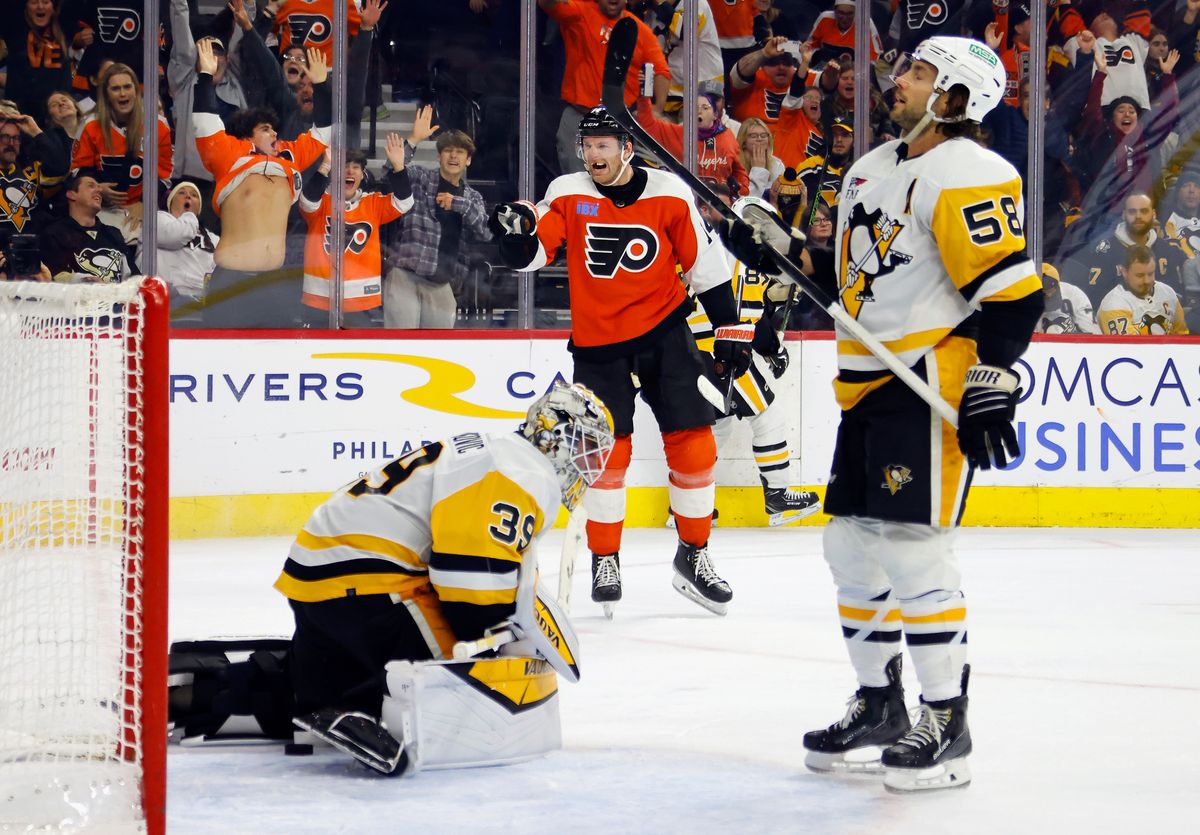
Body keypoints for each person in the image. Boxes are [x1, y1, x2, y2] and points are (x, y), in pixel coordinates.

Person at [721, 36, 1042, 791]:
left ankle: (947, 721)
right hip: (866, 384)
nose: (900, 80)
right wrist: (782, 246)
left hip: (926, 378)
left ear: (957, 98)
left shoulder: (972, 171)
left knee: (912, 548)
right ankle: (880, 705)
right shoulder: (871, 168)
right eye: (907, 68)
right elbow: (851, 282)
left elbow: (1015, 292)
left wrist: (995, 373)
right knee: (850, 547)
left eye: (921, 73)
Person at [488, 106, 752, 617]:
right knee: (609, 455)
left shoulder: (670, 193)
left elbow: (706, 267)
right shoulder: (568, 191)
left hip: (666, 334)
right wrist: (515, 236)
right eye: (588, 145)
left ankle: (693, 555)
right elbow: (531, 255)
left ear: (627, 149)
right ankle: (604, 559)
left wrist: (731, 330)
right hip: (599, 344)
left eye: (604, 145)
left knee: (694, 445)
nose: (593, 154)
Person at [277, 382, 614, 774]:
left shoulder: (500, 451)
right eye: (584, 447)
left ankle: (319, 694)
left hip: (321, 579)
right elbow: (470, 586)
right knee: (478, 671)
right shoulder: (521, 471)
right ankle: (368, 696)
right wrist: (499, 639)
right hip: (366, 586)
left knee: (330, 673)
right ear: (554, 436)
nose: (588, 464)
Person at [683, 194, 821, 526]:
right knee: (767, 415)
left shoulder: (715, 244)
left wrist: (774, 299)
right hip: (722, 350)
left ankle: (691, 505)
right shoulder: (740, 255)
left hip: (694, 351)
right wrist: (774, 349)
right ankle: (778, 496)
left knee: (715, 427)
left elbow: (748, 310)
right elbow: (747, 317)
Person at [192, 40, 331, 327]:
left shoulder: (289, 158)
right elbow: (205, 121)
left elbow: (324, 132)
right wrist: (205, 77)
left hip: (274, 284)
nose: (274, 133)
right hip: (231, 283)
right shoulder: (230, 154)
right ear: (247, 137)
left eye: (274, 128)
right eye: (266, 129)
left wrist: (322, 85)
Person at [382, 107, 489, 329]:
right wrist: (413, 139)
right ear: (439, 155)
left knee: (438, 349)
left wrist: (457, 203)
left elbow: (486, 231)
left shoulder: (472, 197)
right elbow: (390, 171)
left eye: (460, 152)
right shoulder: (420, 177)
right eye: (448, 150)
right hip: (405, 276)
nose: (453, 156)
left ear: (468, 160)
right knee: (401, 347)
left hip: (442, 283)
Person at [538, 0, 670, 176]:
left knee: (619, 189)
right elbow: (548, 4)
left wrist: (658, 107)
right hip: (579, 117)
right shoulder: (580, 12)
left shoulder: (637, 29)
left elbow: (661, 71)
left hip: (620, 123)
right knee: (577, 186)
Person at [299, 139, 412, 327]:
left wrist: (399, 167)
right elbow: (307, 203)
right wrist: (325, 165)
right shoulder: (323, 202)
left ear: (362, 175)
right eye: (344, 166)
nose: (350, 171)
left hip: (363, 300)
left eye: (356, 167)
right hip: (320, 296)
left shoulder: (373, 203)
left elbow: (404, 202)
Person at [70, 62, 174, 245]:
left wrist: (144, 203)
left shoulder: (158, 126)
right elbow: (78, 172)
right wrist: (98, 189)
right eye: (116, 89)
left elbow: (164, 177)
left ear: (136, 90)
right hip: (101, 209)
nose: (123, 93)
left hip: (144, 209)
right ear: (106, 94)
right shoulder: (89, 125)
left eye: (127, 87)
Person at [1067, 191, 1187, 308]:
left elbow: (1177, 296)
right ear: (1123, 215)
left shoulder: (1166, 250)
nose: (1138, 216)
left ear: (1153, 214)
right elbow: (1095, 299)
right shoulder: (1103, 252)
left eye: (1144, 211)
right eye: (1132, 212)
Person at [635, 90, 749, 197]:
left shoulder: (727, 136)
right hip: (685, 198)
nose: (699, 111)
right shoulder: (677, 133)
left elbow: (739, 171)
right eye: (695, 108)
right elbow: (648, 125)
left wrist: (740, 191)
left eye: (705, 108)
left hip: (718, 204)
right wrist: (644, 97)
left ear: (715, 115)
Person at [138, 181, 219, 318]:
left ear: (199, 206)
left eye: (194, 195)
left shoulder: (213, 239)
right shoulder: (156, 220)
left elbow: (220, 271)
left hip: (202, 307)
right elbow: (175, 235)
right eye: (181, 193)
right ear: (170, 202)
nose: (188, 196)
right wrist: (190, 215)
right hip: (162, 302)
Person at [38, 170, 138, 283]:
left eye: (99, 187)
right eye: (91, 186)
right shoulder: (54, 233)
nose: (99, 190)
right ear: (71, 194)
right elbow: (54, 277)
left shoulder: (113, 234)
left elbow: (135, 279)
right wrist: (87, 283)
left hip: (117, 299)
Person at [0, 109, 68, 248]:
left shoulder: (31, 172)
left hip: (33, 254)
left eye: (16, 138)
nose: (11, 143)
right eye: (5, 137)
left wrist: (35, 132)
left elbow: (60, 167)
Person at [1097, 244, 1189, 335]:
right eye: (1139, 275)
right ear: (1124, 272)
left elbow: (1182, 336)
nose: (1147, 281)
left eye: (1150, 274)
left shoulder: (1168, 293)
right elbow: (1127, 348)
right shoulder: (1114, 304)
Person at [795, 114, 853, 210]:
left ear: (854, 140)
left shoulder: (858, 169)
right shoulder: (811, 167)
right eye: (834, 135)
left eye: (845, 135)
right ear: (828, 138)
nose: (839, 140)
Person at [1037, 262, 1098, 334]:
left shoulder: (1075, 294)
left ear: (1058, 284)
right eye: (1044, 294)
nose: (1049, 295)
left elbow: (1093, 334)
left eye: (1052, 291)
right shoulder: (1024, 301)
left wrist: (1070, 335)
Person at [738, 117, 785, 199]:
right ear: (743, 142)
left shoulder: (777, 165)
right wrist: (758, 170)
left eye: (763, 136)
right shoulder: (734, 165)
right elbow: (747, 201)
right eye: (753, 136)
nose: (759, 139)